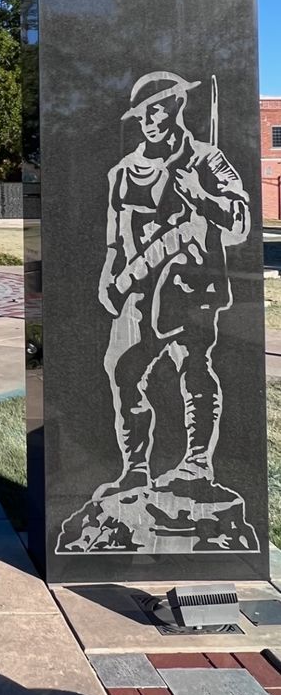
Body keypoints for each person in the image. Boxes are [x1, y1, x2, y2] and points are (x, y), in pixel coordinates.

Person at [95, 71, 249, 499]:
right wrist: (111, 277)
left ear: (178, 107)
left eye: (159, 108)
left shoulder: (207, 159)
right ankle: (135, 469)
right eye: (143, 111)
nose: (150, 118)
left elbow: (240, 223)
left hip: (189, 288)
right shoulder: (123, 172)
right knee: (123, 373)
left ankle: (198, 464)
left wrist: (201, 195)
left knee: (194, 368)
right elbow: (115, 238)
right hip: (137, 291)